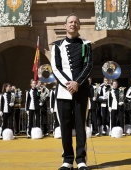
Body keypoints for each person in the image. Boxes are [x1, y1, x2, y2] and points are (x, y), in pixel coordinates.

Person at [51, 13, 92, 170]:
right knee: (65, 126)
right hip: (63, 91)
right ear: (65, 26)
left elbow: (88, 66)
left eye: (76, 22)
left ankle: (81, 160)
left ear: (79, 26)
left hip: (81, 91)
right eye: (70, 22)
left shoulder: (86, 44)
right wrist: (69, 85)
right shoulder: (57, 45)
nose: (73, 24)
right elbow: (56, 68)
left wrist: (77, 83)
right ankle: (67, 160)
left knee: (81, 126)